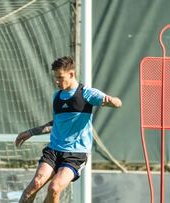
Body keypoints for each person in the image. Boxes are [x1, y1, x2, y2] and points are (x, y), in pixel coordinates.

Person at [15, 56, 122, 203]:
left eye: (60, 77)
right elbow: (56, 124)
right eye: (55, 78)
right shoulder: (57, 96)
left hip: (76, 154)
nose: (57, 81)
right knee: (35, 184)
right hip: (53, 150)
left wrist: (113, 102)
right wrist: (31, 132)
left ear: (71, 74)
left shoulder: (86, 93)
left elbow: (117, 103)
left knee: (54, 188)